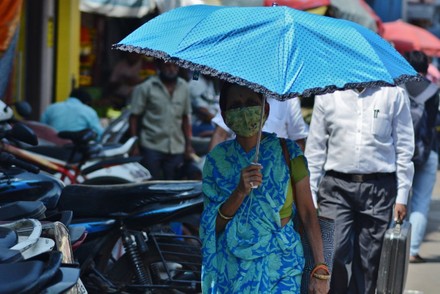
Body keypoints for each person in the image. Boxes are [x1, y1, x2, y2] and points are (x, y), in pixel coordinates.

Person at [200, 82, 329, 293]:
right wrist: (240, 191)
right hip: (233, 271)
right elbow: (210, 226)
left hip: (282, 265)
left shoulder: (289, 153)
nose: (244, 111)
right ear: (224, 116)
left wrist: (320, 266)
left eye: (251, 103)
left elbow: (307, 213)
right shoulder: (217, 161)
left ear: (266, 110)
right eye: (236, 105)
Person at [305, 86, 415, 293]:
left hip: (379, 188)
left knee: (370, 259)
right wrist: (310, 194)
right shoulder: (328, 94)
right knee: (332, 250)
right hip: (336, 187)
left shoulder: (393, 93)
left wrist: (402, 195)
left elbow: (404, 147)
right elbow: (315, 149)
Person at [129, 59, 194, 180]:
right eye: (167, 65)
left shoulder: (184, 87)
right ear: (159, 66)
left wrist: (188, 145)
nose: (171, 69)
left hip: (176, 146)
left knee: (173, 185)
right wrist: (134, 145)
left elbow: (185, 118)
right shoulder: (146, 87)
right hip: (151, 145)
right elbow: (134, 117)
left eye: (175, 65)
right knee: (151, 184)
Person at [403, 50, 440, 263]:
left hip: (400, 154)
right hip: (427, 152)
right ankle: (413, 251)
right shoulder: (433, 91)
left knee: (399, 200)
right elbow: (433, 121)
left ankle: (392, 245)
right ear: (427, 69)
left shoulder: (398, 86)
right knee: (421, 202)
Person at [207, 96, 309, 151]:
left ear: (266, 110)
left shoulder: (288, 100)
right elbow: (220, 134)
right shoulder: (239, 93)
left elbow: (298, 140)